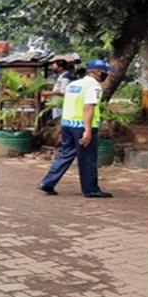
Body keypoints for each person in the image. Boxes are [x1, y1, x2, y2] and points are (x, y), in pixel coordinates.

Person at [38, 59, 114, 198]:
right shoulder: (93, 86)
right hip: (81, 126)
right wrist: (88, 130)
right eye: (105, 72)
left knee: (65, 154)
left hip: (67, 124)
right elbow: (88, 107)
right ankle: (91, 189)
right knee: (87, 158)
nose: (106, 75)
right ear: (97, 72)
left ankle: (47, 182)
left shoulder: (74, 84)